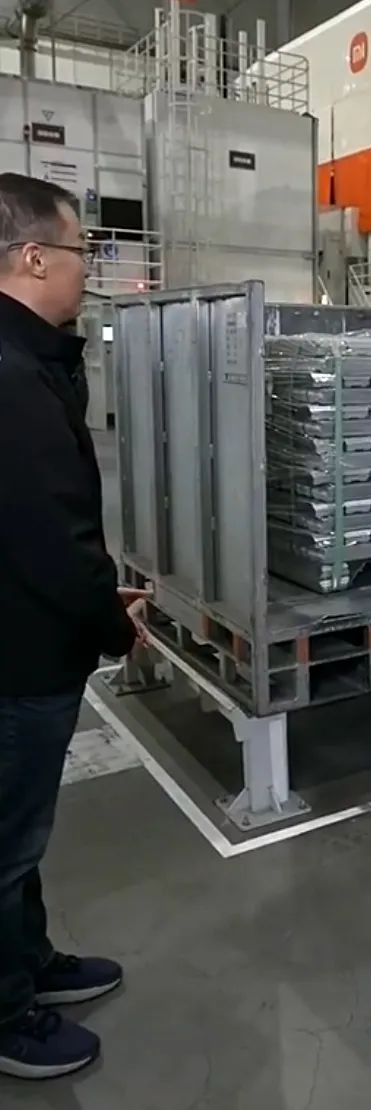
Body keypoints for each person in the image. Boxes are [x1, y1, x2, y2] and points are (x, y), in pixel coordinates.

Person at [0, 173, 146, 1080]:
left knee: (20, 835)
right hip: (19, 658)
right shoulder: (12, 378)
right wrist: (111, 622)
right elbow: (53, 535)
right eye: (80, 251)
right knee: (6, 842)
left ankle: (30, 962)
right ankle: (6, 1013)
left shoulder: (31, 359)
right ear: (32, 257)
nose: (88, 269)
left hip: (27, 636)